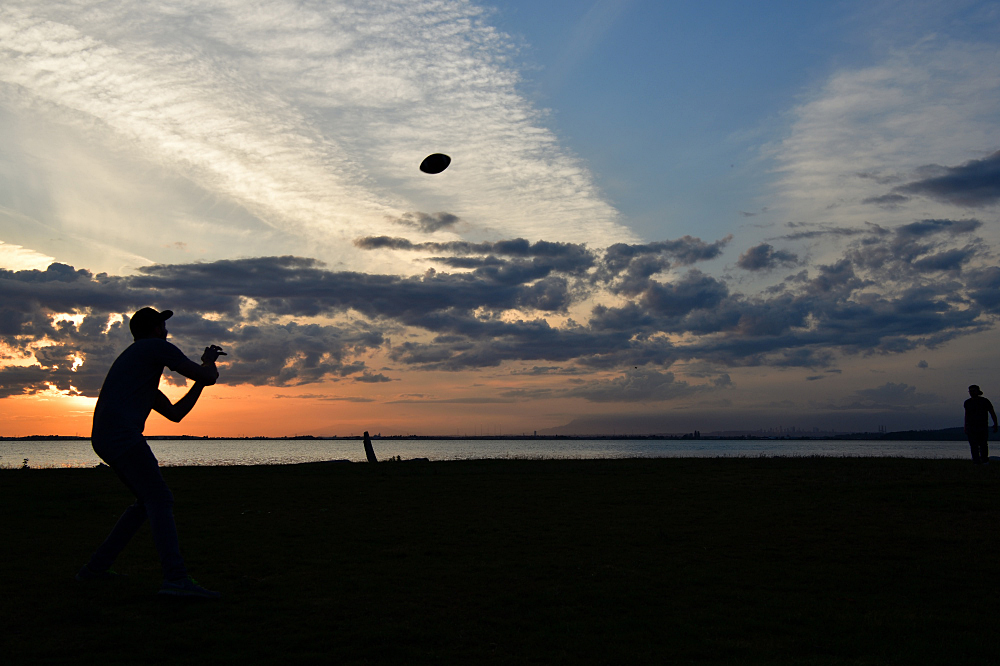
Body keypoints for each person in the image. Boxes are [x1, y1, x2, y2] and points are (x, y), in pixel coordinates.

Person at [75, 307, 227, 598]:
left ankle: (95, 569)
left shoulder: (139, 370)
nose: (166, 329)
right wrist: (208, 363)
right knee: (159, 498)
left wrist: (200, 381)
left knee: (147, 502)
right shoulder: (155, 347)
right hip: (120, 435)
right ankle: (175, 578)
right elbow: (208, 375)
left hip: (107, 437)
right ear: (157, 330)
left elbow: (175, 414)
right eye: (163, 324)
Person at [964, 385, 998, 465]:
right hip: (971, 427)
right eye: (970, 391)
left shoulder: (985, 401)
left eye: (973, 391)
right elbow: (966, 415)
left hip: (982, 426)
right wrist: (965, 426)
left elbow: (992, 413)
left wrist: (995, 424)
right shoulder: (967, 402)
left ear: (977, 391)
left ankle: (985, 460)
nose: (971, 393)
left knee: (983, 444)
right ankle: (976, 461)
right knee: (973, 445)